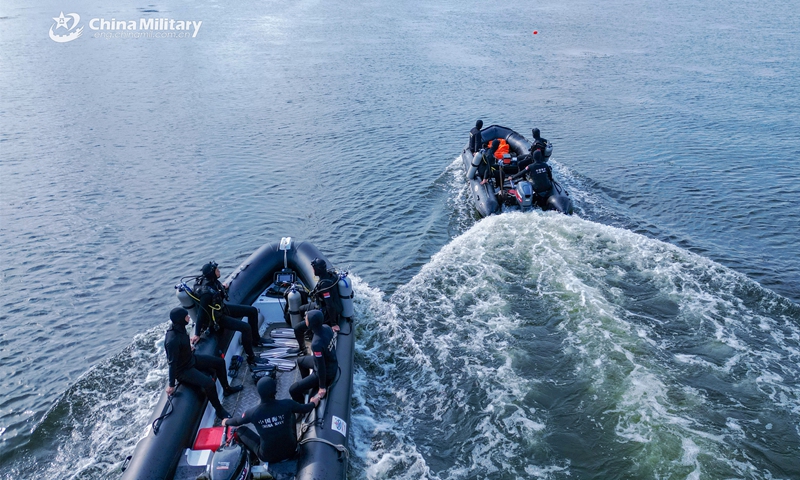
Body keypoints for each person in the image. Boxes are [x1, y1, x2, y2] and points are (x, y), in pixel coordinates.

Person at [165, 307, 242, 419]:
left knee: (219, 362)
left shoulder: (180, 328)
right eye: (186, 316)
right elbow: (172, 363)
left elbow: (182, 344)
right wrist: (171, 385)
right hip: (182, 370)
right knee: (209, 383)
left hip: (190, 359)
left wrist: (187, 347)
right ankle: (219, 410)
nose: (189, 317)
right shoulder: (172, 340)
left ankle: (226, 389)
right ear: (181, 319)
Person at [222, 377, 319, 464]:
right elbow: (305, 409)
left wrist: (226, 421)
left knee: (240, 430)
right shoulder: (287, 404)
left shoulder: (252, 413)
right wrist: (313, 403)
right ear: (275, 392)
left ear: (259, 393)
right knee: (291, 414)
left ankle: (253, 459)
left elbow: (237, 421)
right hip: (290, 449)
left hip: (267, 456)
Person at [193, 262, 270, 368]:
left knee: (252, 311)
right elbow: (201, 313)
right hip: (217, 319)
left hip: (222, 309)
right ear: (212, 274)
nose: (219, 271)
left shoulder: (213, 282)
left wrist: (223, 287)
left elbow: (218, 292)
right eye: (216, 270)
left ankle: (256, 340)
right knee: (245, 328)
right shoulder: (206, 293)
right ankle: (251, 358)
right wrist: (197, 334)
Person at [289, 310, 338, 403]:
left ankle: (301, 408)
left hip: (326, 372)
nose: (304, 319)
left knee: (293, 389)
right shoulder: (327, 327)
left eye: (306, 318)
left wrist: (322, 387)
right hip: (330, 361)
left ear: (310, 324)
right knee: (300, 361)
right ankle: (305, 388)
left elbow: (321, 367)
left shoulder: (316, 344)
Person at [292, 258, 341, 353]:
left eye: (313, 268)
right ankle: (309, 332)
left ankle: (302, 349)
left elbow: (329, 305)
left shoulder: (325, 285)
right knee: (301, 309)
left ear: (317, 269)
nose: (312, 270)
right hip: (324, 305)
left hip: (325, 311)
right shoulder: (331, 276)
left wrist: (334, 323)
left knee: (297, 329)